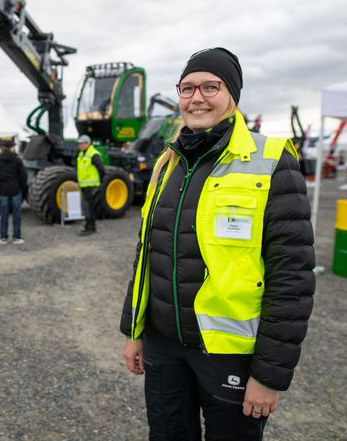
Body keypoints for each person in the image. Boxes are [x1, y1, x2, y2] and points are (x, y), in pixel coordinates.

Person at [120, 47, 315, 440]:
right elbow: (148, 253)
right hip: (163, 345)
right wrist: (135, 329)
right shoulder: (167, 162)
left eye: (211, 86)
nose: (197, 97)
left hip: (229, 354)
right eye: (187, 88)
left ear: (233, 96)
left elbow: (292, 277)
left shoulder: (270, 160)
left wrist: (269, 374)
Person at [0, 140, 28, 244]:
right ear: (11, 148)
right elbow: (23, 176)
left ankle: (3, 237)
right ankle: (16, 237)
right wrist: (22, 188)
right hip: (16, 190)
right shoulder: (17, 160)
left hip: (4, 190)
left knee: (4, 215)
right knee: (16, 214)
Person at [76, 134, 105, 236]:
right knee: (88, 206)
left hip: (91, 186)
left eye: (82, 143)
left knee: (88, 206)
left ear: (87, 144)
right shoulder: (81, 154)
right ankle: (90, 226)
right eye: (79, 143)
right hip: (84, 185)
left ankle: (90, 227)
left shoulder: (93, 154)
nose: (80, 145)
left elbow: (102, 169)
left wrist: (100, 182)